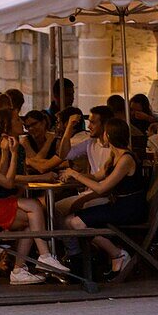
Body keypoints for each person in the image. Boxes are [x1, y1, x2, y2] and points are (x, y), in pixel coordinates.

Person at [0, 121, 70, 285]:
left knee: (30, 220)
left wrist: (5, 153)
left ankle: (20, 269)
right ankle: (44, 256)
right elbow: (8, 183)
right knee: (33, 206)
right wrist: (14, 153)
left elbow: (0, 176)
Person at [60, 119, 148, 279]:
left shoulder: (126, 159)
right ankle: (78, 260)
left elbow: (102, 187)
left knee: (76, 223)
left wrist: (76, 174)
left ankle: (118, 254)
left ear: (109, 135)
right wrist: (73, 177)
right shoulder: (114, 156)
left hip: (129, 208)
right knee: (68, 221)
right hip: (118, 205)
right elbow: (96, 176)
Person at [54, 106, 114, 216]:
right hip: (91, 191)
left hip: (107, 195)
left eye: (93, 123)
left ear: (105, 124)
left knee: (64, 210)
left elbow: (104, 178)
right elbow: (64, 154)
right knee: (56, 209)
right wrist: (69, 127)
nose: (89, 126)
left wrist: (75, 175)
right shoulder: (90, 142)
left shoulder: (114, 148)